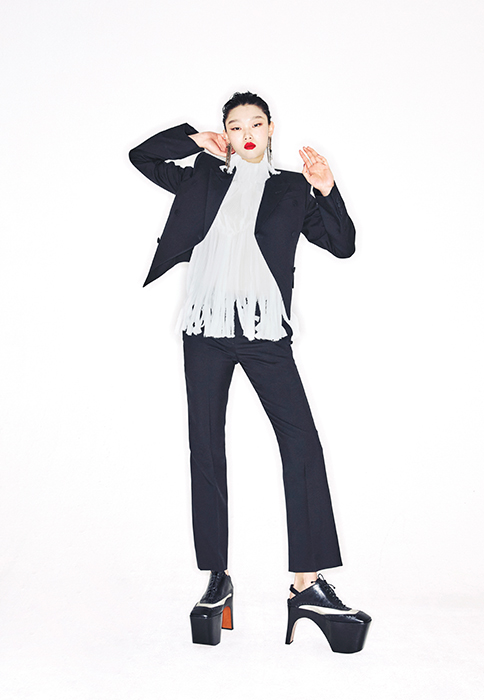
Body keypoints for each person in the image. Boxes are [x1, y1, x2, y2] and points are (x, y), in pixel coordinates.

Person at [129, 91, 371, 651]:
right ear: (227, 133)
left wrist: (327, 189)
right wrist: (193, 140)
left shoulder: (292, 188)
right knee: (207, 450)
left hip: (264, 334)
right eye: (235, 126)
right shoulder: (201, 179)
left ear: (269, 129)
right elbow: (142, 157)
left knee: (302, 445)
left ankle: (306, 585)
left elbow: (343, 245)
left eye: (255, 124)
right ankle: (217, 581)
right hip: (204, 332)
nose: (246, 133)